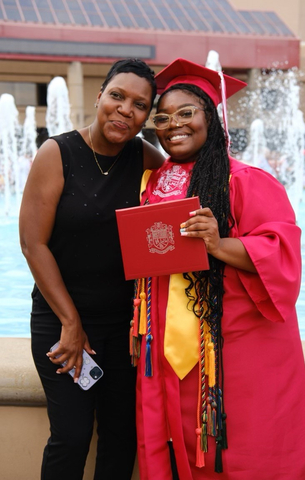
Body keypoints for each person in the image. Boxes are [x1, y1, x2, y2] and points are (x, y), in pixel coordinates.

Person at [130, 58, 305, 480]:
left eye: (187, 113)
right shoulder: (152, 181)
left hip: (233, 346)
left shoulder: (246, 180)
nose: (173, 124)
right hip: (165, 347)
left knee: (242, 449)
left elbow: (281, 253)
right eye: (163, 117)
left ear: (211, 118)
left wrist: (218, 244)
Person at [19, 58, 164, 480]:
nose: (125, 109)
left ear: (145, 117)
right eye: (117, 96)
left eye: (139, 104)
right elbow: (32, 243)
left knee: (120, 437)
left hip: (123, 328)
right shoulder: (57, 152)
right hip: (60, 321)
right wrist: (70, 322)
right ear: (100, 96)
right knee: (73, 436)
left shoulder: (147, 159)